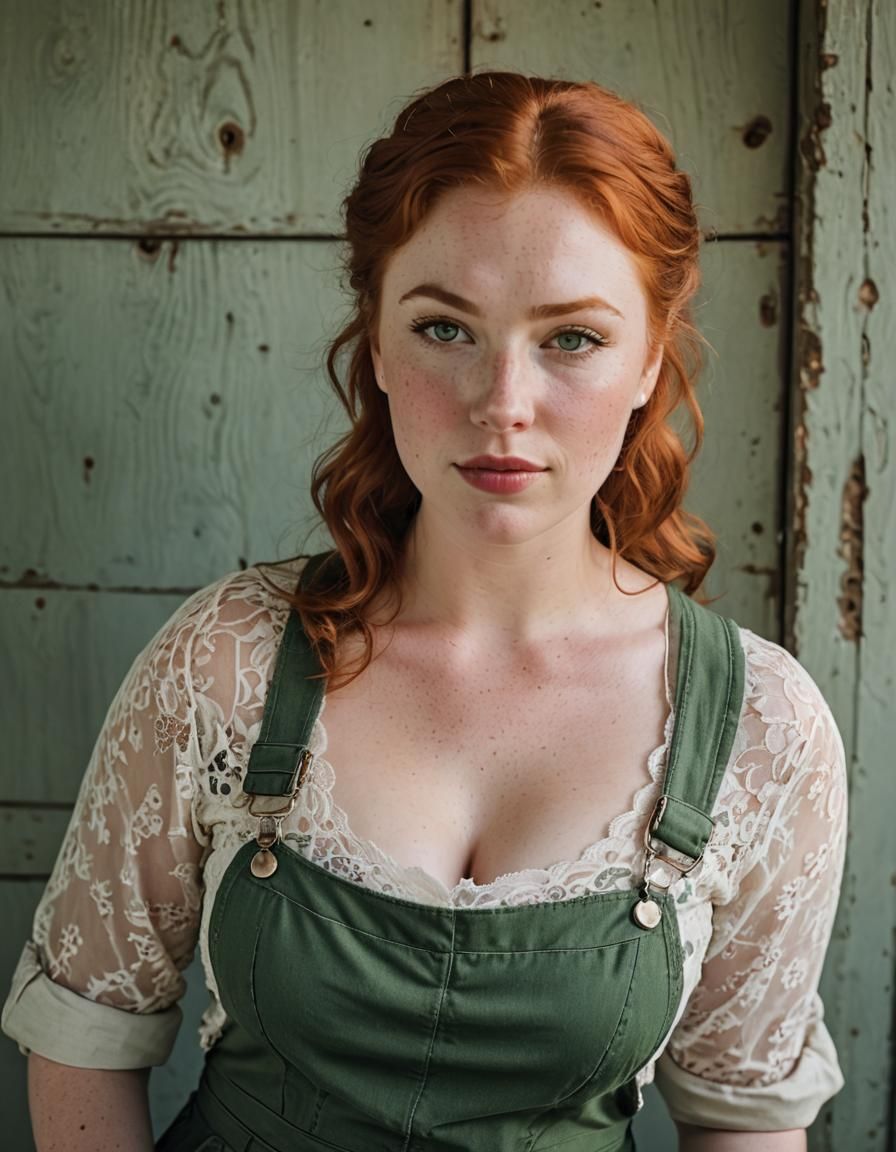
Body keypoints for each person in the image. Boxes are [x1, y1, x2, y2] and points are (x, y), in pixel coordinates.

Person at [3, 71, 847, 1152]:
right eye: (445, 328)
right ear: (377, 341)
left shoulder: (761, 729)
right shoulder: (226, 662)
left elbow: (742, 1127)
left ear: (649, 356)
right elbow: (83, 1032)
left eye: (571, 339)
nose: (503, 402)